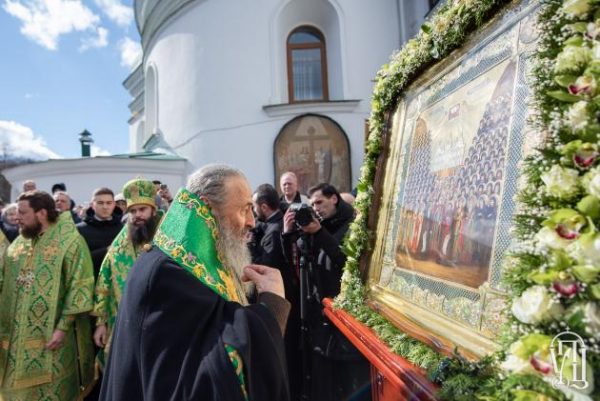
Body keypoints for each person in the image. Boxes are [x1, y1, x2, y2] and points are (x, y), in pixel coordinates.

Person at [99, 164, 290, 401]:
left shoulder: (191, 265)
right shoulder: (168, 275)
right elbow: (206, 381)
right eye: (244, 209)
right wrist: (272, 307)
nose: (251, 221)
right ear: (207, 205)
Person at [0, 191, 95, 401]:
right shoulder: (19, 244)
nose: (17, 218)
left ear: (41, 213)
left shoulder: (70, 243)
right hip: (13, 343)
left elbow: (80, 288)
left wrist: (62, 329)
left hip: (51, 341)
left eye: (23, 213)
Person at [282, 183, 369, 401]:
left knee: (348, 384)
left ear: (334, 199)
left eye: (320, 202)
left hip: (345, 319)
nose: (316, 208)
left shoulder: (352, 227)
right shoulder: (320, 226)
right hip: (319, 319)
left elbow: (346, 265)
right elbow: (298, 264)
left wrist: (319, 233)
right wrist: (288, 234)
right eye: (312, 204)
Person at [92, 179, 161, 367]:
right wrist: (101, 323)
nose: (137, 215)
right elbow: (104, 280)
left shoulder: (167, 237)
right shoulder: (121, 242)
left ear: (153, 210)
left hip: (159, 322)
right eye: (133, 211)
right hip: (123, 322)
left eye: (142, 210)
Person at [250, 183, 301, 400]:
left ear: (263, 206)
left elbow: (267, 268)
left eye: (253, 207)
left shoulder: (273, 231)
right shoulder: (277, 223)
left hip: (280, 300)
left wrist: (250, 249)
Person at [77, 187, 124, 279]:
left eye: (109, 203)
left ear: (114, 205)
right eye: (100, 203)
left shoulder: (123, 229)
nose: (105, 207)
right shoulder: (79, 230)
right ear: (92, 205)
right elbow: (78, 261)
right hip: (91, 282)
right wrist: (107, 250)